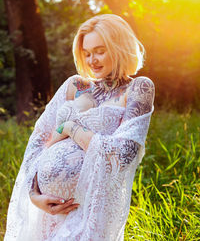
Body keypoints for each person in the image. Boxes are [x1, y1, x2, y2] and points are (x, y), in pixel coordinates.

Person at [4, 14, 155, 241]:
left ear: (120, 47)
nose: (92, 60)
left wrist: (71, 128)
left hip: (89, 210)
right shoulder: (76, 85)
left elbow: (124, 155)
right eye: (87, 53)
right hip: (47, 213)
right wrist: (34, 195)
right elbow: (38, 141)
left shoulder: (138, 88)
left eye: (100, 51)